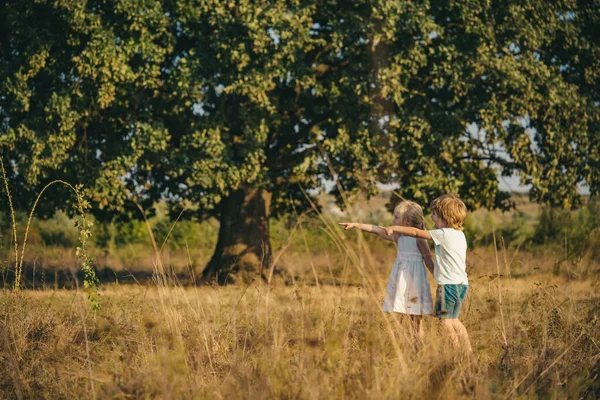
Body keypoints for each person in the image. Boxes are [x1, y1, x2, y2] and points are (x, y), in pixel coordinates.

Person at [383, 194, 472, 355]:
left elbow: (416, 233)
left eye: (434, 215)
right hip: (461, 285)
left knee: (445, 322)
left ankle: (457, 353)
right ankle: (467, 351)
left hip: (448, 286)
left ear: (445, 217)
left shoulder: (444, 233)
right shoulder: (460, 234)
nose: (431, 218)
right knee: (454, 321)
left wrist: (395, 228)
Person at [339, 201, 434, 343]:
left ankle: (418, 344)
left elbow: (428, 259)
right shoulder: (399, 236)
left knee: (416, 317)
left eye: (396, 217)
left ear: (407, 221)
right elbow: (376, 229)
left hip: (415, 280)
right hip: (402, 279)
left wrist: (437, 276)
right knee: (403, 313)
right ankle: (406, 344)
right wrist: (356, 225)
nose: (392, 220)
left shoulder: (419, 238)